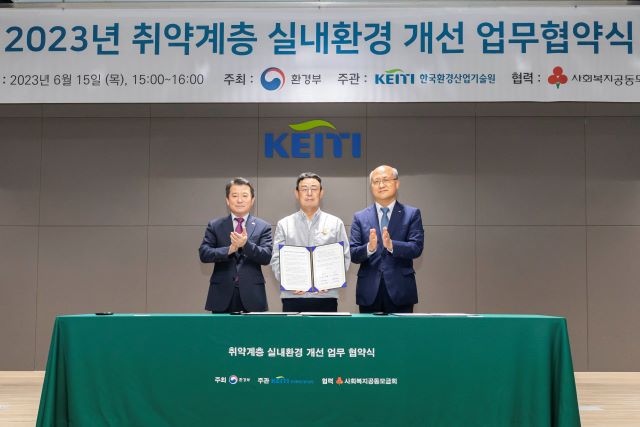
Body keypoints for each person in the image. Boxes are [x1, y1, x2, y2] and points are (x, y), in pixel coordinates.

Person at [270, 172, 350, 312]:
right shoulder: (284, 224)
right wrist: (289, 282)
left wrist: (331, 282)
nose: (309, 193)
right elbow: (276, 260)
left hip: (326, 296)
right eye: (304, 189)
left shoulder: (335, 223)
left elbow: (345, 257)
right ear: (297, 193)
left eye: (314, 188)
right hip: (293, 296)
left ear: (321, 193)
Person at [350, 165, 424, 313]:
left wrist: (391, 245)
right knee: (369, 329)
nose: (381, 185)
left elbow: (416, 248)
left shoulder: (412, 214)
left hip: (401, 290)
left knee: (400, 329)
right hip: (369, 291)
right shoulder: (360, 217)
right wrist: (369, 248)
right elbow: (353, 254)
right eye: (376, 181)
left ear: (397, 183)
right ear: (371, 186)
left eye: (385, 180)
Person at [199, 178, 272, 313]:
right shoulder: (215, 225)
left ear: (252, 200)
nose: (239, 200)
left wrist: (246, 245)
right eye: (234, 196)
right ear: (227, 200)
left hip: (253, 294)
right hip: (221, 294)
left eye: (244, 195)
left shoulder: (263, 226)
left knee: (253, 328)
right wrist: (229, 249)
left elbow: (266, 256)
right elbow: (204, 253)